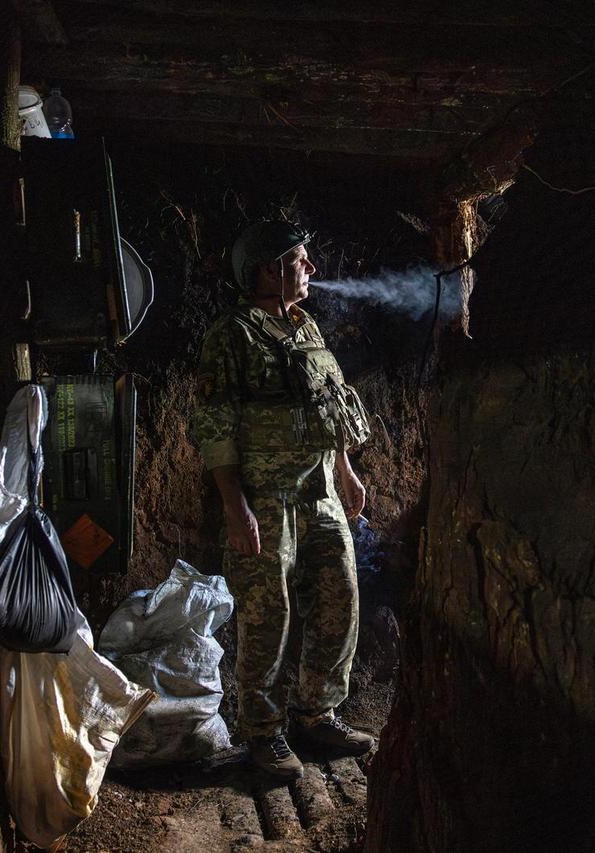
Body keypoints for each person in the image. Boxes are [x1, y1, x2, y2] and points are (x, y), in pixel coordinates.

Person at [187, 221, 375, 779]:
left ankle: (317, 714)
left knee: (340, 598)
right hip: (265, 497)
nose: (311, 269)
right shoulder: (233, 334)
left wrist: (346, 471)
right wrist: (235, 506)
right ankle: (263, 733)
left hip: (320, 491)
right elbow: (215, 423)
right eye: (300, 259)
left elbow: (329, 406)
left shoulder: (306, 326)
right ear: (269, 269)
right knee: (269, 614)